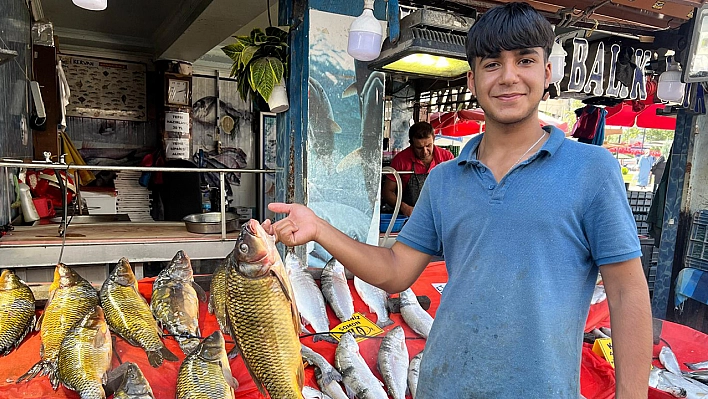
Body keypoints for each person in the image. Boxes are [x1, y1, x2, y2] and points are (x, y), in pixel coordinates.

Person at [263, 3, 652, 397]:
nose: (509, 76)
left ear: (547, 72)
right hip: (443, 384)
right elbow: (396, 270)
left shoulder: (592, 170)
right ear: (472, 79)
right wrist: (319, 228)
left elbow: (626, 293)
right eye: (492, 64)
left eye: (525, 60)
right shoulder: (446, 179)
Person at [382, 122, 454, 216]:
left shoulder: (447, 158)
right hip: (410, 216)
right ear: (411, 144)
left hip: (440, 214)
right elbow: (388, 191)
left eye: (428, 146)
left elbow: (455, 188)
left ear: (434, 139)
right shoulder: (400, 160)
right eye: (419, 148)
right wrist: (404, 207)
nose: (425, 152)